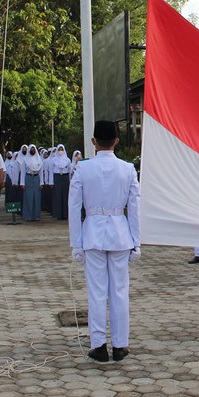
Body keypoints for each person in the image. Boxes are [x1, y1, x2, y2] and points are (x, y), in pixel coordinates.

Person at [69, 121, 140, 363]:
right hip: (120, 233)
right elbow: (135, 209)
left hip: (92, 233)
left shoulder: (83, 169)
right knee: (120, 292)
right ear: (117, 141)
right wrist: (136, 241)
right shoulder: (128, 169)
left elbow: (73, 208)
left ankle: (98, 345)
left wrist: (75, 244)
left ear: (93, 142)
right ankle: (120, 345)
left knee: (97, 293)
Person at [21, 144, 42, 222]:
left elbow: (40, 172)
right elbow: (23, 172)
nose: (32, 150)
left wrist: (41, 183)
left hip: (36, 179)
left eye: (34, 149)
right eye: (31, 149)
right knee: (28, 197)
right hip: (28, 178)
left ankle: (36, 216)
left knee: (37, 197)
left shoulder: (39, 160)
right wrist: (22, 183)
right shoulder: (25, 160)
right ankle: (28, 216)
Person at [50, 144, 71, 220]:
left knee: (65, 196)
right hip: (57, 177)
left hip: (65, 177)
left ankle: (65, 214)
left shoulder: (68, 160)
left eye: (62, 149)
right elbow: (51, 172)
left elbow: (70, 170)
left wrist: (70, 181)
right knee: (57, 196)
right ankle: (58, 214)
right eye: (59, 149)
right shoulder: (53, 160)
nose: (60, 151)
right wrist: (51, 182)